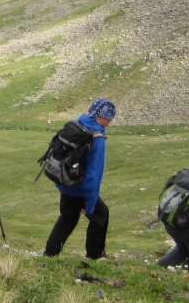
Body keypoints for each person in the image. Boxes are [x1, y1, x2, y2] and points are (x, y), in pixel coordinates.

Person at [43, 98, 115, 259]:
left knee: (67, 218)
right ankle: (95, 255)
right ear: (104, 117)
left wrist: (61, 185)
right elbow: (93, 175)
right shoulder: (97, 138)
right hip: (79, 188)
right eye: (110, 118)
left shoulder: (76, 123)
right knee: (100, 215)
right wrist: (89, 204)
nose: (110, 122)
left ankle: (50, 253)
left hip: (65, 183)